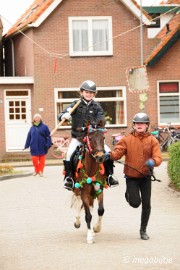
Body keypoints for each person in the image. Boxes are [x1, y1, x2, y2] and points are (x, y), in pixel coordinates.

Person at [105, 112, 162, 240]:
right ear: (134, 125)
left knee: (147, 204)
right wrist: (110, 155)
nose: (139, 125)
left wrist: (154, 162)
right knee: (135, 203)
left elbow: (158, 157)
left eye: (142, 123)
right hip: (131, 176)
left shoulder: (153, 140)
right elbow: (118, 152)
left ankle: (143, 230)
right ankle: (129, 194)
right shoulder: (127, 139)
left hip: (146, 176)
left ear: (147, 125)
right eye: (137, 123)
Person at [57, 80, 119, 191]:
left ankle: (110, 176)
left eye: (91, 92)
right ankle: (69, 178)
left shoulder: (97, 106)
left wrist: (93, 126)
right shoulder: (75, 104)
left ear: (94, 94)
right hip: (79, 138)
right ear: (81, 92)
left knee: (108, 152)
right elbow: (60, 115)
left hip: (93, 139)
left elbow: (101, 120)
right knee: (69, 154)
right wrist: (63, 116)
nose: (89, 94)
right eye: (86, 92)